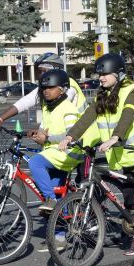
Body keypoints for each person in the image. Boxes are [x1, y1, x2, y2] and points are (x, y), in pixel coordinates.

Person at [57, 53, 134, 254]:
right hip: (126, 156)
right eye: (99, 75)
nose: (101, 78)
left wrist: (116, 137)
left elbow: (128, 113)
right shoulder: (103, 95)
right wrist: (69, 138)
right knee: (131, 201)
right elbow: (87, 117)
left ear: (119, 74)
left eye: (105, 74)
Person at [26, 70, 89, 214]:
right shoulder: (48, 108)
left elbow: (72, 135)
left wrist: (47, 139)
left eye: (50, 87)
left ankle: (50, 199)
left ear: (62, 90)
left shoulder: (68, 108)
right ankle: (61, 229)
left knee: (35, 162)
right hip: (54, 154)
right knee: (58, 191)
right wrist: (37, 134)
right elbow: (44, 131)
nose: (46, 91)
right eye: (43, 88)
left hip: (69, 152)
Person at [0, 52, 86, 128]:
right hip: (60, 135)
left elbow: (59, 109)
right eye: (40, 72)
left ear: (56, 69)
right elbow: (25, 101)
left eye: (43, 71)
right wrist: (0, 118)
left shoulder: (69, 84)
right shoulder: (47, 87)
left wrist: (41, 130)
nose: (41, 75)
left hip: (80, 134)